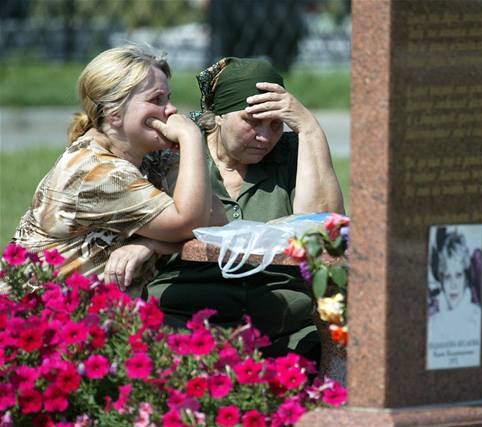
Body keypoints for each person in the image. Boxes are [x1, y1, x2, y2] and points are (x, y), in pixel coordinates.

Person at [141, 57, 344, 361]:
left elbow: (323, 225)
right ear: (218, 115)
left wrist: (309, 128)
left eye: (276, 124)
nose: (264, 138)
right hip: (185, 321)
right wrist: (145, 244)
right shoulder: (177, 153)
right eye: (252, 121)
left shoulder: (292, 155)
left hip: (283, 329)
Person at [13, 45, 225, 296]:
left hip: (92, 317)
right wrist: (191, 137)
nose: (170, 110)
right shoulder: (96, 173)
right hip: (36, 318)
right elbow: (189, 223)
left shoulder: (152, 155)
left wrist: (150, 244)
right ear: (114, 113)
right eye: (156, 99)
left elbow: (215, 219)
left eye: (167, 98)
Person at [427, 226, 482, 369]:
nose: (453, 285)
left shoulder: (478, 318)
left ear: (466, 277)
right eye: (447, 276)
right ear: (441, 279)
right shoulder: (432, 323)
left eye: (458, 275)